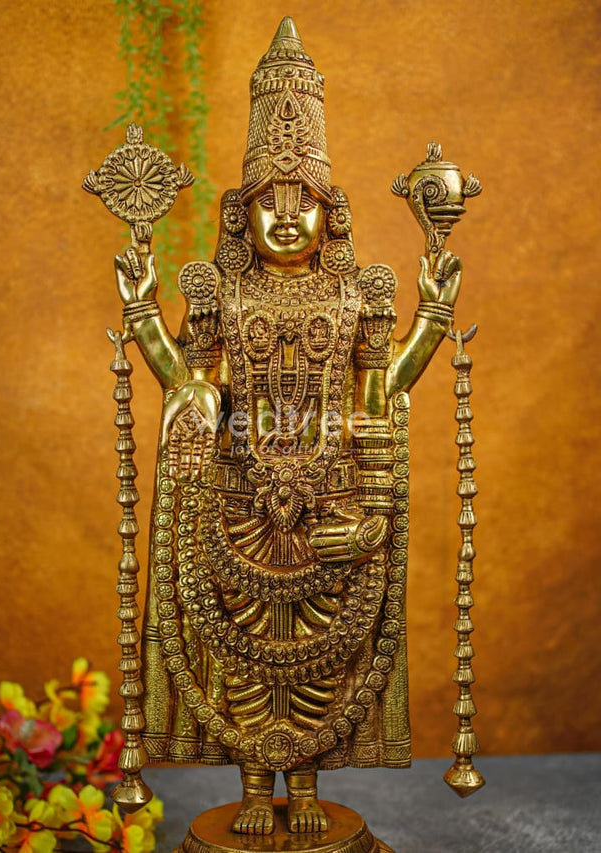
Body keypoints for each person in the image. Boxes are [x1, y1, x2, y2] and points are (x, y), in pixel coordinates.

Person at [113, 17, 461, 836]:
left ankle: (303, 789)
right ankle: (254, 785)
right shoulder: (220, 292)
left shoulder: (358, 294)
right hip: (236, 499)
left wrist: (433, 316)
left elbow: (379, 395)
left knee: (323, 656)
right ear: (241, 213)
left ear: (331, 214)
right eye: (268, 202)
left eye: (303, 202)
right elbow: (195, 389)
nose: (286, 218)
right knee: (238, 649)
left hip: (333, 498)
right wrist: (144, 314)